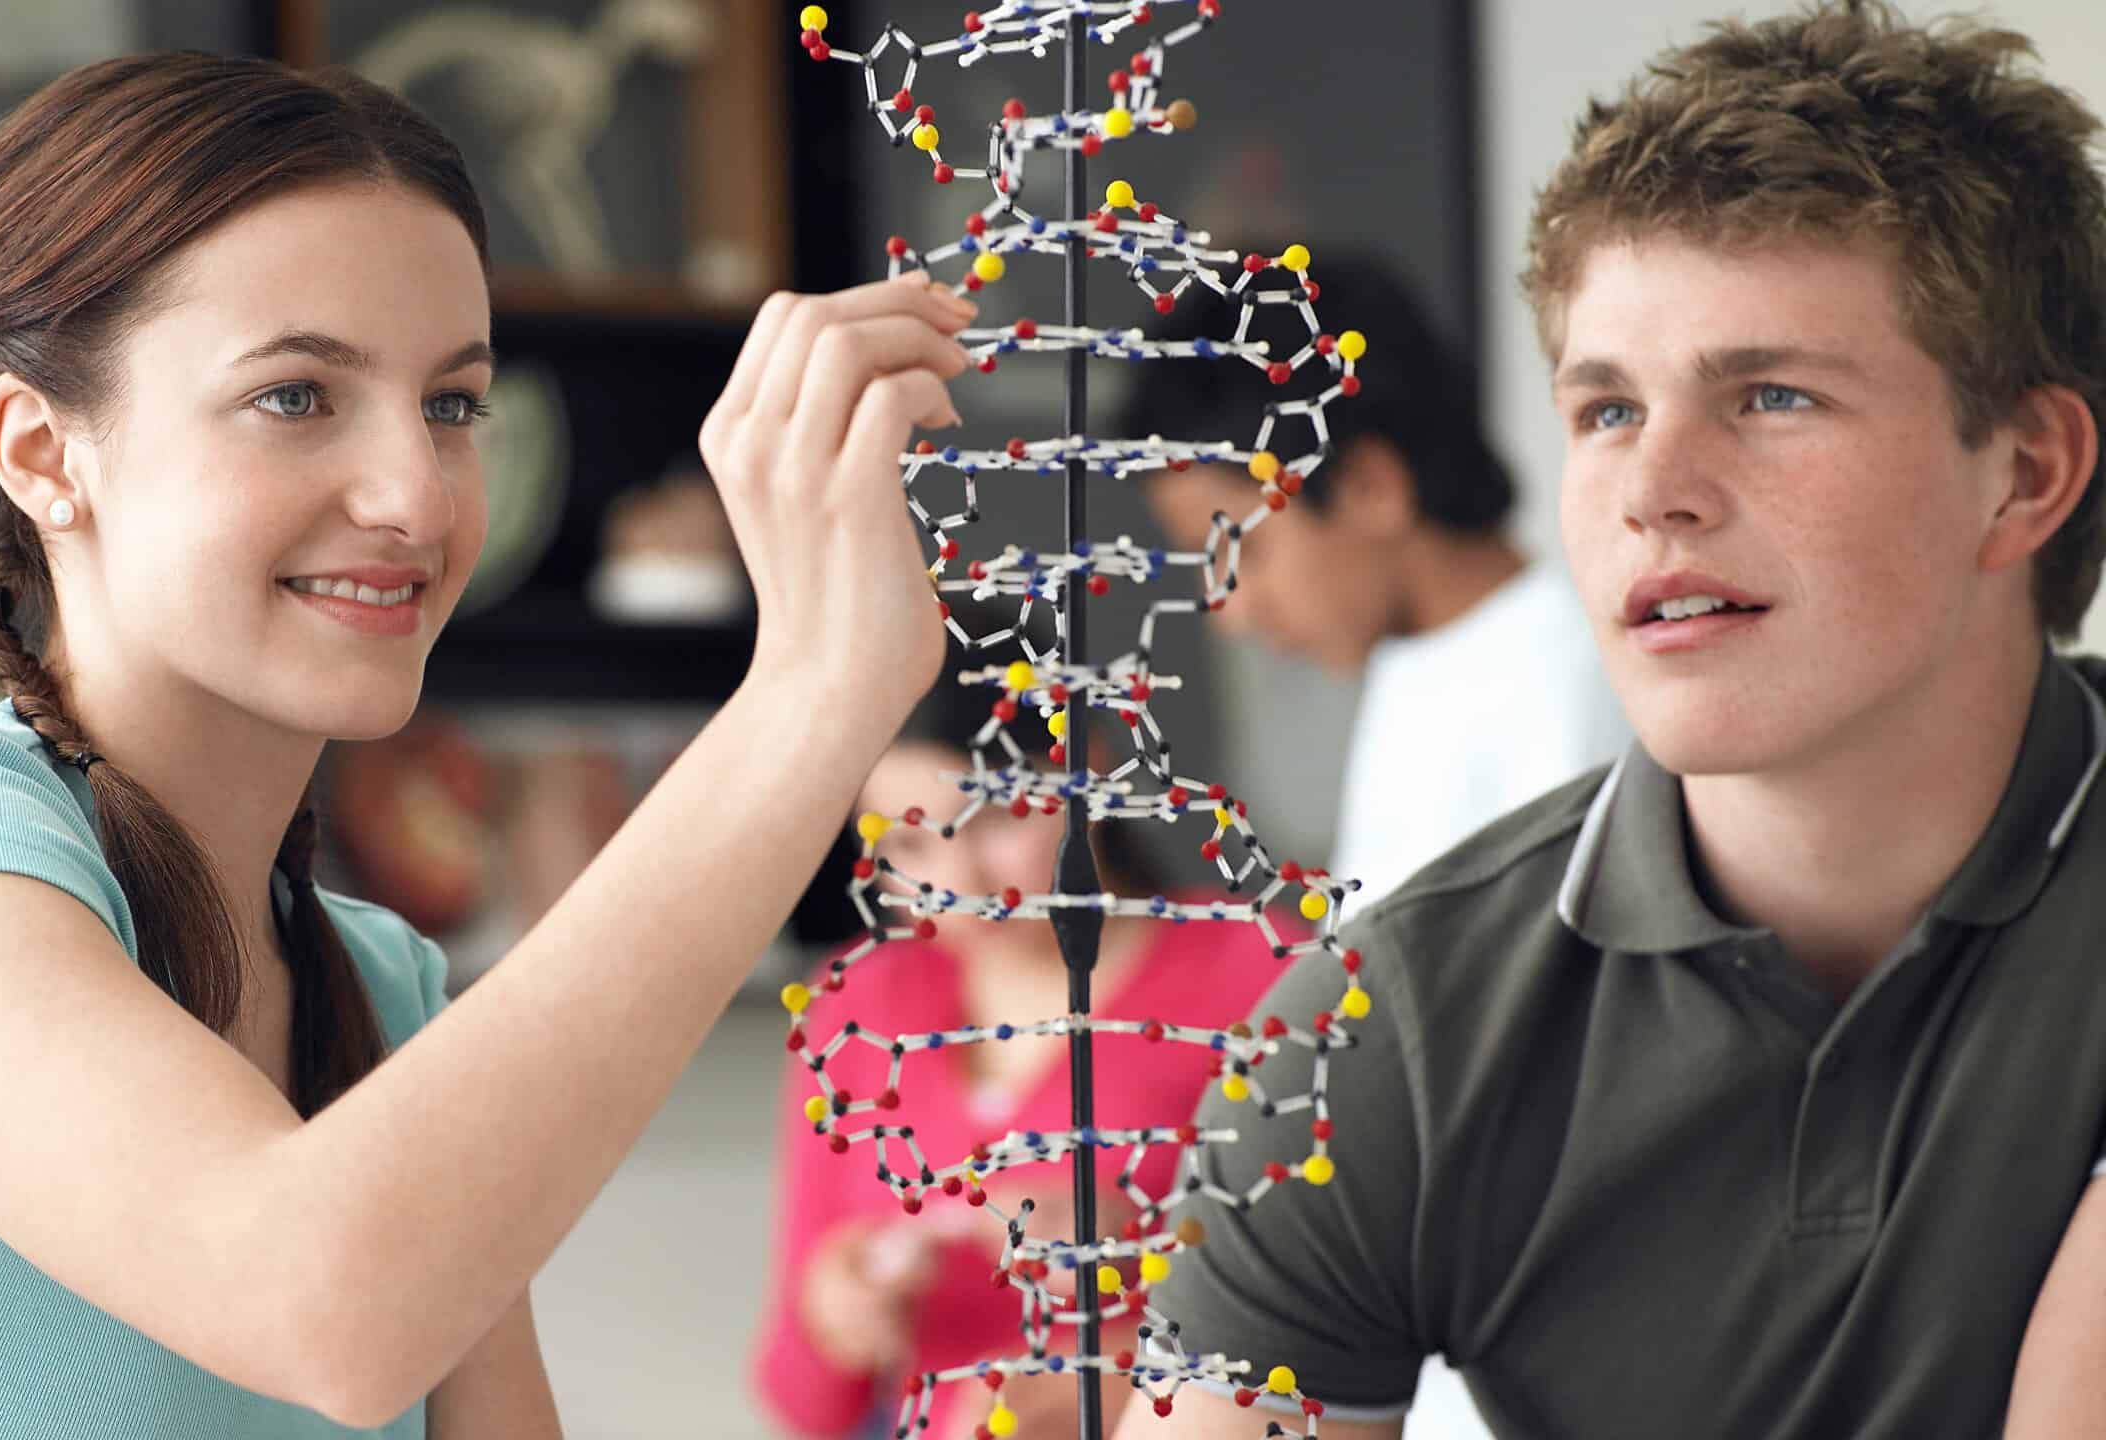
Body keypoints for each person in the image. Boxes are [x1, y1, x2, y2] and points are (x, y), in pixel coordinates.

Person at [0, 53, 974, 1439]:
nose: (415, 497)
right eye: (297, 397)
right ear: (41, 452)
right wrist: (810, 698)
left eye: (451, 405)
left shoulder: (382, 989)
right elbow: (326, 1302)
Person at [1125, 3, 2106, 1436]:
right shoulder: (1380, 1037)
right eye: (1603, 411)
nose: (1654, 490)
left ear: (2022, 473)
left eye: (1771, 396)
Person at [752, 708, 1304, 1440]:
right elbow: (806, 1402)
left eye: (997, 821)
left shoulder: (1259, 975)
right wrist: (835, 1313)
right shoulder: (855, 1007)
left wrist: (1145, 1318)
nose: (962, 881)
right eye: (910, 845)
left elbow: (1358, 1310)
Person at [1125, 253, 1629, 908]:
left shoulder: (1567, 682)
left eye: (1241, 554)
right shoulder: (1414, 667)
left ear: (1371, 486)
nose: (1230, 613)